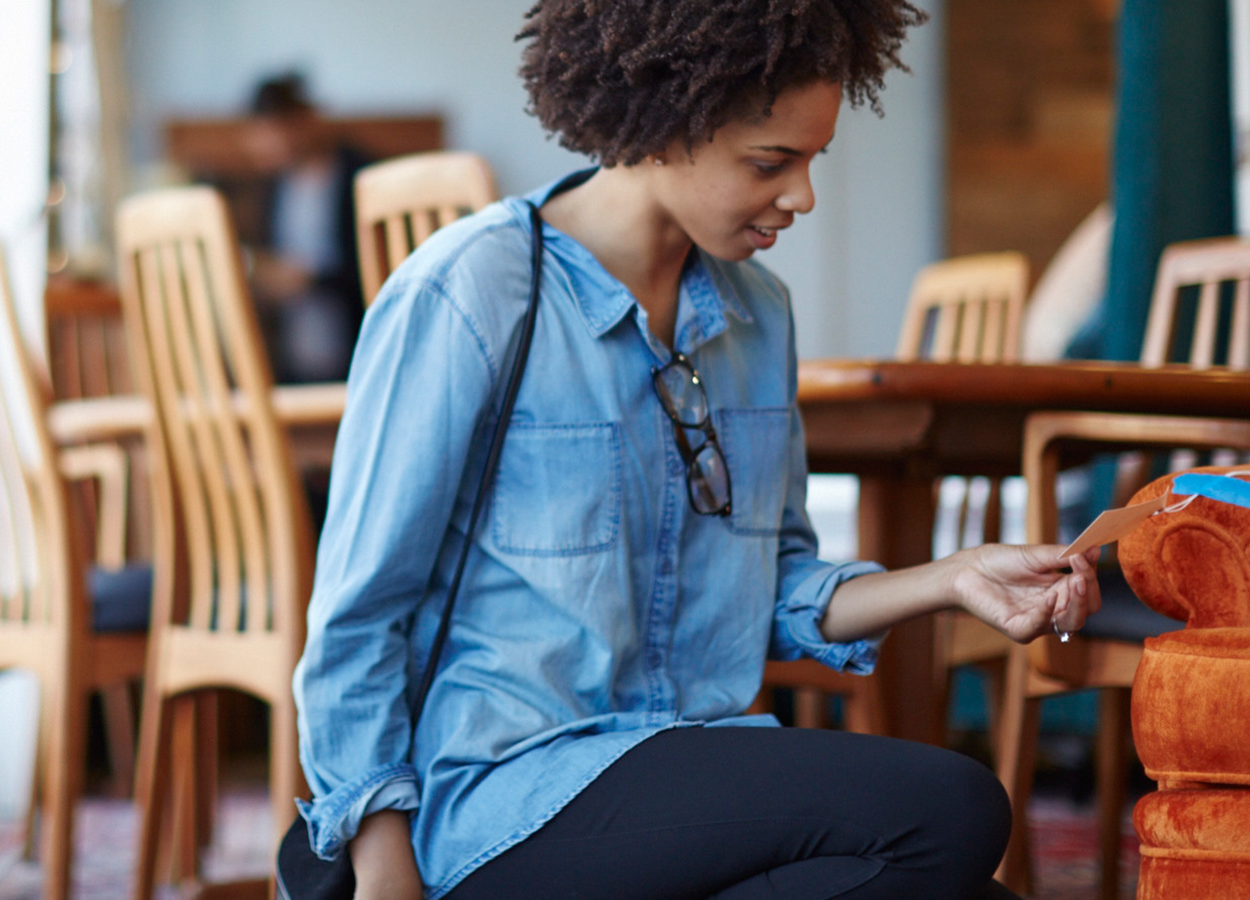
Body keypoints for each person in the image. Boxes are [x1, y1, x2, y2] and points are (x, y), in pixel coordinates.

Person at [292, 3, 1101, 899]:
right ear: (663, 121)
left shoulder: (758, 313)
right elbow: (359, 615)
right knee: (950, 809)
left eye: (812, 160)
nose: (803, 196)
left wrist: (953, 579)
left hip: (677, 783)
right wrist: (382, 866)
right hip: (502, 795)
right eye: (771, 162)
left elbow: (777, 585)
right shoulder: (471, 292)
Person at [244, 72, 370, 384]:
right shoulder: (274, 186)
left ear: (304, 120)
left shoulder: (362, 177)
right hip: (293, 362)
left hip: (358, 356)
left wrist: (310, 280)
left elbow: (379, 269)